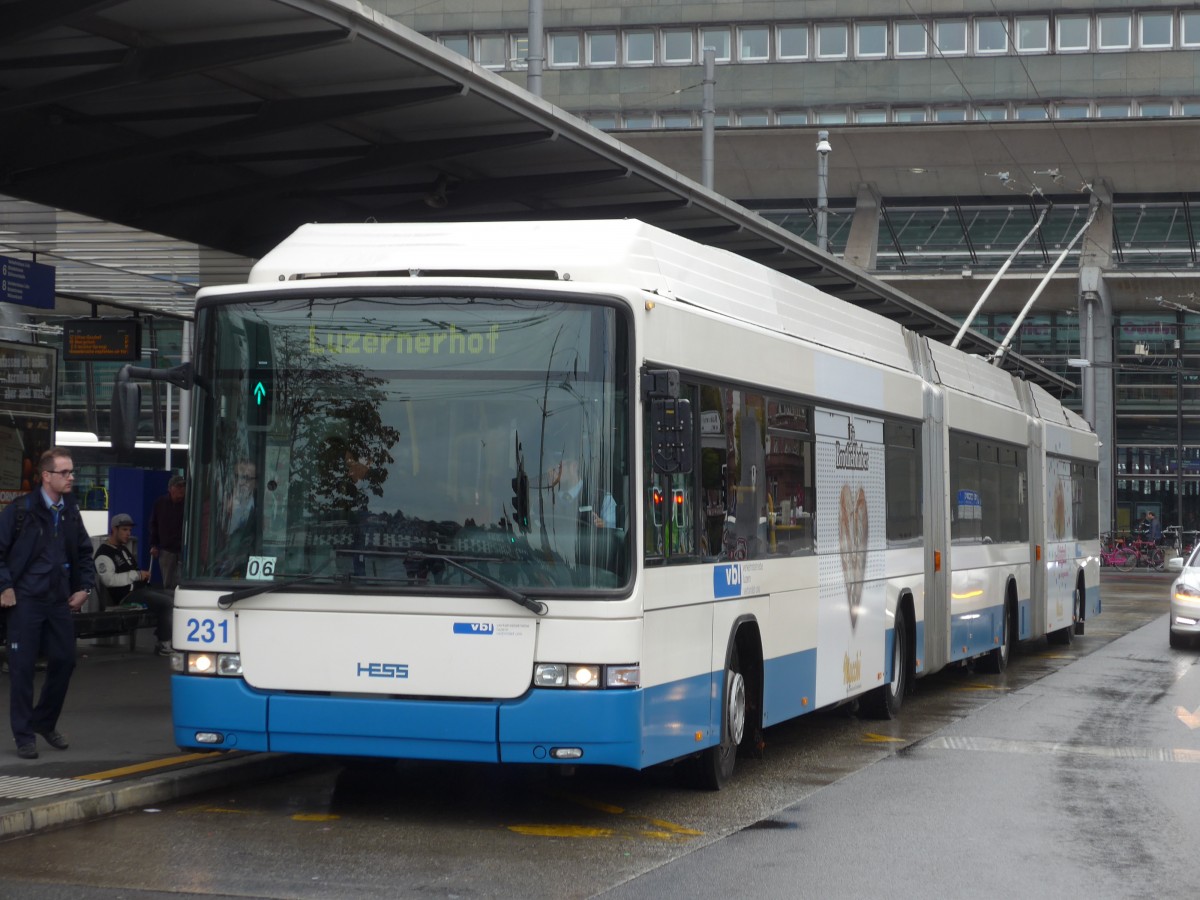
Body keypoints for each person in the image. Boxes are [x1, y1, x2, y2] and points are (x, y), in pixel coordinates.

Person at [0, 447, 95, 759]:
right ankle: (24, 735)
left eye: (71, 472)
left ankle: (44, 721)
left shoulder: (69, 510)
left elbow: (83, 552)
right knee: (22, 669)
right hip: (25, 601)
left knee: (65, 661)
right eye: (64, 472)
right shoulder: (21, 510)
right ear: (46, 476)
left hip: (57, 601)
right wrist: (5, 587)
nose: (71, 477)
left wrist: (85, 588)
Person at [94, 513, 172, 656]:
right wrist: (137, 575)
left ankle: (165, 633)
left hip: (139, 590)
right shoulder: (104, 554)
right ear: (114, 530)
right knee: (166, 602)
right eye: (124, 530)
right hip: (126, 596)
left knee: (174, 595)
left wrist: (142, 576)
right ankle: (164, 642)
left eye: (129, 530)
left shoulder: (123, 549)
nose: (128, 534)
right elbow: (109, 580)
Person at [149, 475, 185, 589]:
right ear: (170, 488)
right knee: (167, 583)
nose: (181, 489)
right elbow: (154, 524)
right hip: (167, 550)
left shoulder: (189, 504)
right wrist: (154, 545)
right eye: (178, 486)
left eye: (183, 486)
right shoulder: (160, 503)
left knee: (183, 582)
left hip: (185, 550)